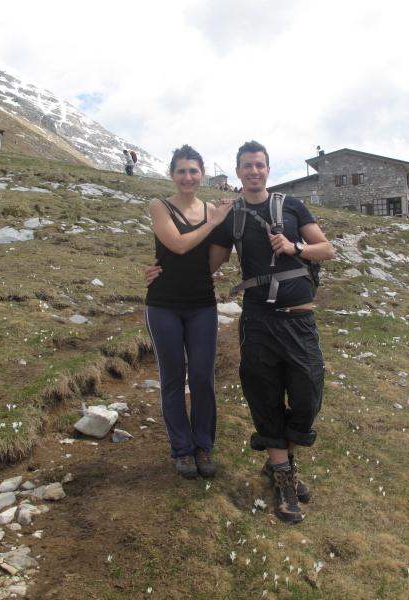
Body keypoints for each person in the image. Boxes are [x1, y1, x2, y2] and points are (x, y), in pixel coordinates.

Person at [207, 140, 334, 524]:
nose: (254, 171)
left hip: (299, 319)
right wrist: (210, 225)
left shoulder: (292, 206)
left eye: (259, 165)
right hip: (259, 320)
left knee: (308, 393)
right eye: (247, 165)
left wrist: (295, 246)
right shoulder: (233, 215)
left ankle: (284, 461)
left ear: (267, 168)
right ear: (238, 170)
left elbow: (325, 249)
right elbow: (211, 264)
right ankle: (282, 474)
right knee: (263, 394)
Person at [145, 144, 233, 479]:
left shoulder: (212, 209)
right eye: (181, 170)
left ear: (202, 175)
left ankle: (203, 445)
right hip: (163, 304)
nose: (187, 176)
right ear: (172, 174)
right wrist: (214, 223)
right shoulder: (159, 205)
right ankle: (182, 450)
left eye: (193, 170)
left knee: (201, 377)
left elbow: (211, 263)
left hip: (201, 304)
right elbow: (178, 245)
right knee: (171, 378)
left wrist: (220, 229)